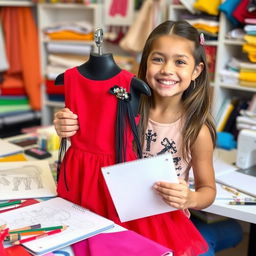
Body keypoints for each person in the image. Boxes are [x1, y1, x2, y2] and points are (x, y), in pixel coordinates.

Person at [53, 20, 241, 255]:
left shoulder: (197, 130)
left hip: (166, 220)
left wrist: (190, 199)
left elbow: (207, 190)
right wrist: (66, 125)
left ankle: (217, 234)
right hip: (118, 215)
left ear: (196, 71)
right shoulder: (121, 106)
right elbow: (91, 136)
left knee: (200, 248)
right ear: (145, 63)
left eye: (180, 62)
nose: (167, 70)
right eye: (158, 59)